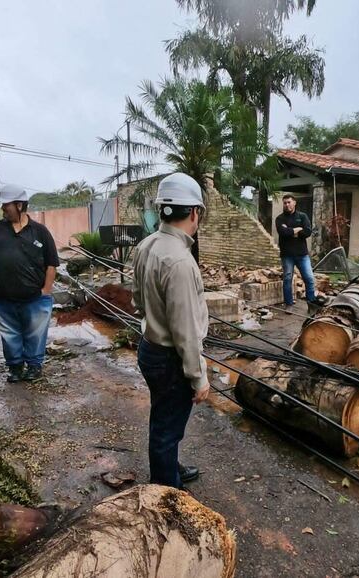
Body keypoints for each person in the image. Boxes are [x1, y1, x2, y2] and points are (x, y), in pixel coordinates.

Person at [132, 173, 209, 488]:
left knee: (163, 417)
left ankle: (168, 467)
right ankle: (166, 491)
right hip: (170, 359)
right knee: (167, 426)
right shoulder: (180, 261)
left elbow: (137, 299)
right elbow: (186, 333)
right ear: (194, 213)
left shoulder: (147, 244)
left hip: (150, 349)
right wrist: (199, 376)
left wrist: (153, 318)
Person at [0, 184, 59, 383]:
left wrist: (46, 291)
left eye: (6, 205)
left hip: (34, 297)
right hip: (2, 297)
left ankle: (34, 366)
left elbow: (52, 264)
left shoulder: (40, 231)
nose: (3, 209)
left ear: (19, 205)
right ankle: (15, 367)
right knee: (9, 334)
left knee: (36, 334)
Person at [275, 194, 317, 311]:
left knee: (309, 278)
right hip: (287, 254)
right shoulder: (280, 219)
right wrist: (298, 229)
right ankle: (289, 304)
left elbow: (308, 232)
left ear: (294, 203)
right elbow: (283, 232)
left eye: (289, 202)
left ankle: (311, 304)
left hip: (302, 254)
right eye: (285, 203)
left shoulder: (302, 216)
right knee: (287, 279)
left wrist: (291, 231)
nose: (287, 205)